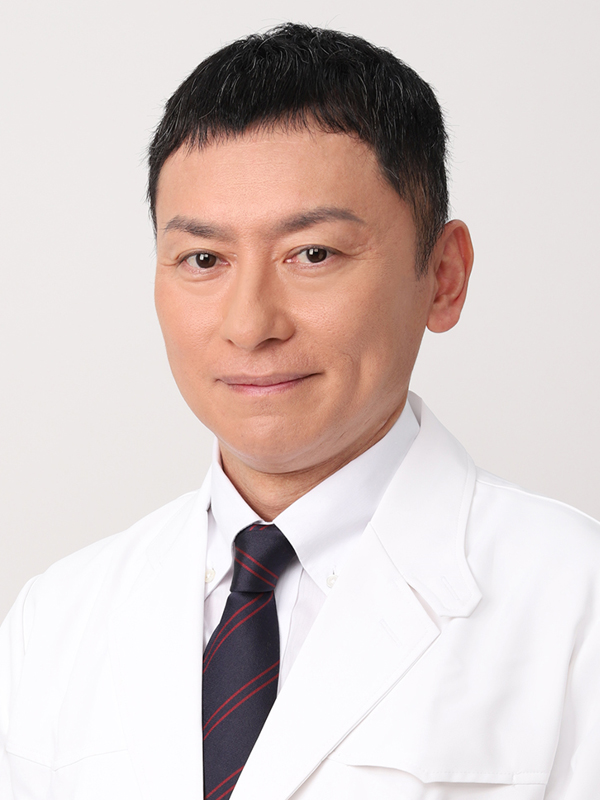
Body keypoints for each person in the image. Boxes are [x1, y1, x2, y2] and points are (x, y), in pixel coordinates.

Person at [1, 22, 599, 800]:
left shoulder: (575, 603)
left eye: (313, 254)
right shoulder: (55, 620)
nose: (250, 324)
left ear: (444, 277)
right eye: (204, 259)